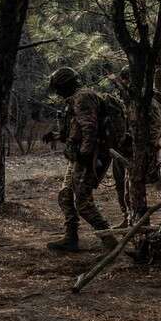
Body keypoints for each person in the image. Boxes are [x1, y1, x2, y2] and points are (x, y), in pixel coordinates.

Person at [45, 67, 120, 252]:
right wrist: (56, 136)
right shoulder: (76, 99)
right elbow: (76, 131)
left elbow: (89, 128)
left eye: (58, 88)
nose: (57, 92)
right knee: (65, 195)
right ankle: (71, 238)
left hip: (88, 157)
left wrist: (86, 154)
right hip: (78, 157)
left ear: (65, 85)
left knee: (83, 202)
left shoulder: (83, 98)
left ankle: (109, 240)